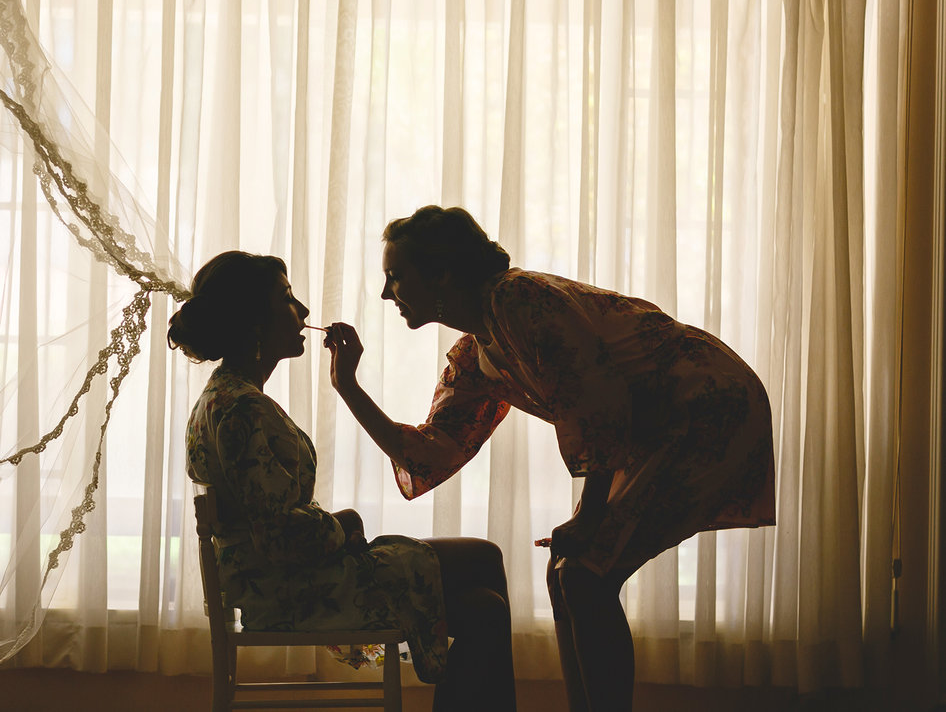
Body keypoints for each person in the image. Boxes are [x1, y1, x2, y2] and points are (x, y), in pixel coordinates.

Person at [324, 206, 776, 712]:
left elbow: (593, 397)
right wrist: (348, 386)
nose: (387, 294)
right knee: (569, 571)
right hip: (654, 428)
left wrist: (591, 512)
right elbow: (430, 452)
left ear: (442, 273)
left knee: (584, 572)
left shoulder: (519, 299)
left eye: (395, 276)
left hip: (708, 406)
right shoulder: (475, 355)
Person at [169, 250, 517, 712]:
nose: (305, 312)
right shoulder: (240, 408)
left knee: (484, 600)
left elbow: (264, 515)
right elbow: (277, 535)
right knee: (484, 579)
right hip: (291, 589)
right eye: (287, 298)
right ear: (255, 322)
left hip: (288, 578)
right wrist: (343, 525)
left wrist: (344, 382)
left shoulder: (227, 396)